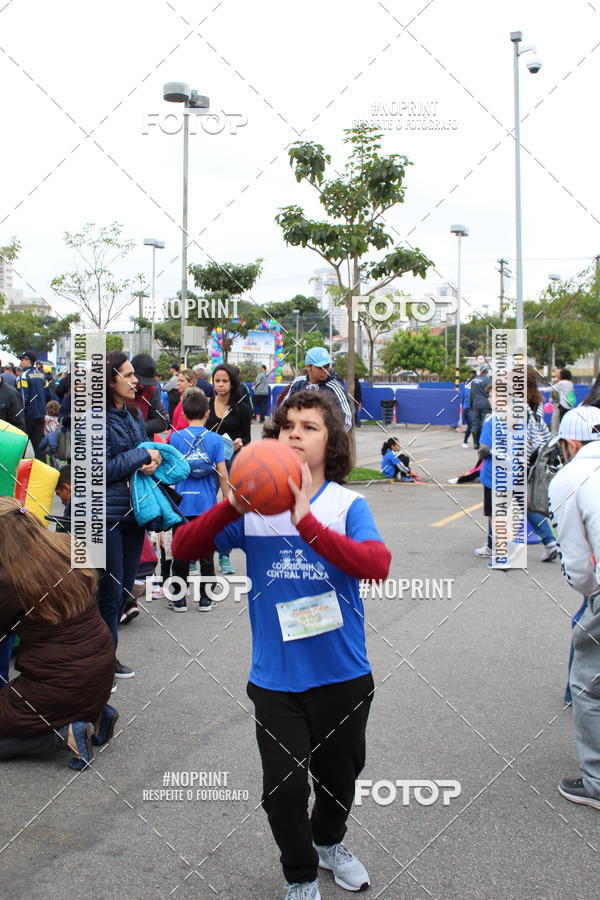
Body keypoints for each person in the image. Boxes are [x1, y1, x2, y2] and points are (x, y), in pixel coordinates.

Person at [172, 391, 391, 899]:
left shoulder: (345, 505)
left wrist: (306, 524)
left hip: (342, 675)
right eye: (287, 425)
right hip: (275, 680)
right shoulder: (251, 508)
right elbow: (183, 548)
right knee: (284, 791)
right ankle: (300, 875)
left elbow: (376, 566)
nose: (294, 433)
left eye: (309, 426)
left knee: (340, 780)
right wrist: (229, 506)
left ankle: (330, 842)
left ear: (331, 441)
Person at [0, 496, 117, 769]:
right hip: (100, 675)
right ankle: (97, 714)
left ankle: (62, 736)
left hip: (58, 686)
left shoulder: (10, 579)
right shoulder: (68, 546)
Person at [98, 350, 163, 680]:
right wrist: (141, 455)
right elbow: (100, 469)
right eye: (127, 374)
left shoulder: (136, 414)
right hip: (105, 515)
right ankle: (101, 662)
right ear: (110, 381)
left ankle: (107, 656)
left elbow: (144, 457)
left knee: (124, 588)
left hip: (134, 512)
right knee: (108, 591)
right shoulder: (95, 419)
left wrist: (152, 461)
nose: (135, 380)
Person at [548, 406, 600, 810]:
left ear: (569, 443)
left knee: (589, 684)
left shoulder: (569, 477)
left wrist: (589, 598)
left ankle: (596, 781)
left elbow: (579, 566)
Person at [168, 388, 228, 611]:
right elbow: (222, 473)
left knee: (180, 551)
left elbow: (169, 472)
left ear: (182, 413)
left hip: (181, 504)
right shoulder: (215, 440)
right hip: (207, 506)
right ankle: (205, 598)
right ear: (207, 413)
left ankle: (179, 598)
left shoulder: (175, 437)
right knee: (205, 554)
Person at [205, 363, 252, 576]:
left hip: (233, 463)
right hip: (208, 463)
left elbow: (248, 436)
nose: (221, 385)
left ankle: (224, 554)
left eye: (225, 381)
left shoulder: (242, 407)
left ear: (232, 383)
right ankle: (201, 555)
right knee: (205, 508)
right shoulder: (206, 404)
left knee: (228, 509)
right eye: (217, 381)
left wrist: (240, 442)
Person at [525, 366, 558, 561]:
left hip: (523, 453)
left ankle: (549, 540)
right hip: (538, 451)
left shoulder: (517, 403)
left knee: (519, 500)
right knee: (527, 500)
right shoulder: (536, 400)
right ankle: (550, 541)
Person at [286, 348, 353, 432]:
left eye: (327, 366)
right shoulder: (298, 382)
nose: (325, 371)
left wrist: (328, 439)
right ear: (308, 367)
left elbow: (347, 420)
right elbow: (284, 409)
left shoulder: (335, 386)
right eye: (320, 368)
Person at [16, 351, 50, 460]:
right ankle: (43, 472)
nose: (21, 362)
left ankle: (16, 470)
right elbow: (48, 395)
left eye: (22, 360)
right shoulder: (42, 376)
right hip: (40, 415)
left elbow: (22, 399)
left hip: (27, 416)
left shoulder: (23, 376)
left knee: (20, 447)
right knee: (39, 448)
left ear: (28, 360)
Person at [131, 353, 170, 437]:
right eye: (139, 381)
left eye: (146, 382)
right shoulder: (117, 388)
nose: (142, 385)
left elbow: (163, 421)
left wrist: (136, 427)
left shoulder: (151, 389)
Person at [469, 366, 492, 450]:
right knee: (484, 423)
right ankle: (483, 443)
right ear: (486, 371)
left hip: (476, 404)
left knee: (475, 423)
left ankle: (475, 444)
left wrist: (471, 405)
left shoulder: (474, 381)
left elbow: (471, 394)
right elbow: (490, 393)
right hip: (486, 404)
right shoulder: (488, 380)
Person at [461, 370, 477, 448]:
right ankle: (467, 442)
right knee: (471, 426)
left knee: (472, 426)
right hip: (469, 408)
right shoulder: (469, 386)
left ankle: (474, 443)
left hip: (469, 408)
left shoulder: (468, 385)